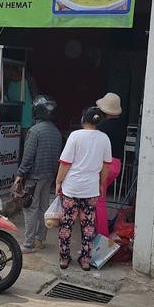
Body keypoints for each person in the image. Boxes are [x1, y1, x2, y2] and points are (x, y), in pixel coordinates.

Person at [56, 107, 112, 271]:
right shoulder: (104, 139)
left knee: (66, 225)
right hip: (91, 190)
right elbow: (106, 166)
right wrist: (101, 184)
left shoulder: (75, 136)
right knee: (88, 227)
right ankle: (86, 260)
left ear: (83, 119)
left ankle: (64, 259)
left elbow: (65, 163)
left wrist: (58, 182)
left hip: (71, 189)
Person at [14, 95, 62, 254]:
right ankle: (39, 240)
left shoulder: (35, 131)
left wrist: (20, 174)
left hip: (34, 176)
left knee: (30, 209)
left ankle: (28, 244)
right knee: (43, 207)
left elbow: (28, 156)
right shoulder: (56, 131)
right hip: (49, 175)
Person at [95, 93, 126, 236]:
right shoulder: (122, 125)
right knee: (99, 199)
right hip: (116, 165)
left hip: (104, 166)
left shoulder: (102, 126)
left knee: (98, 202)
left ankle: (102, 235)